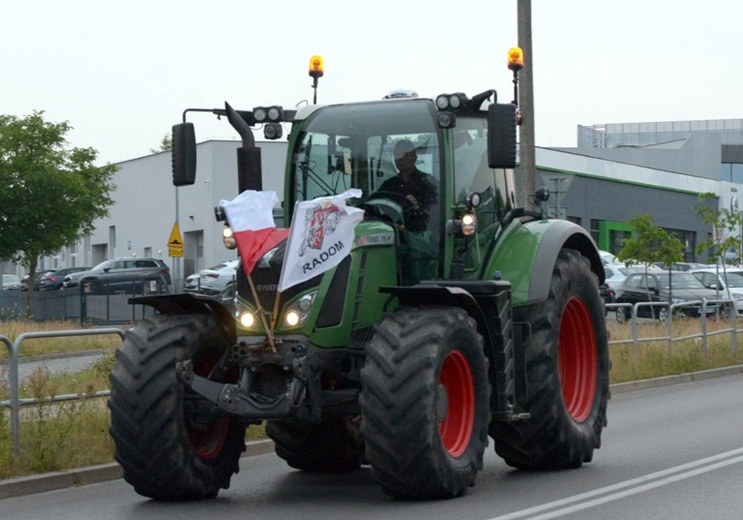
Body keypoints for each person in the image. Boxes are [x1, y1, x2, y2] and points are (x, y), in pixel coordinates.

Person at [378, 139, 438, 232]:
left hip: (423, 236)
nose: (400, 158)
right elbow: (378, 210)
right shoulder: (388, 186)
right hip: (393, 235)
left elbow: (439, 211)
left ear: (414, 158)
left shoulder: (429, 183)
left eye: (404, 154)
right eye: (397, 154)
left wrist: (418, 206)